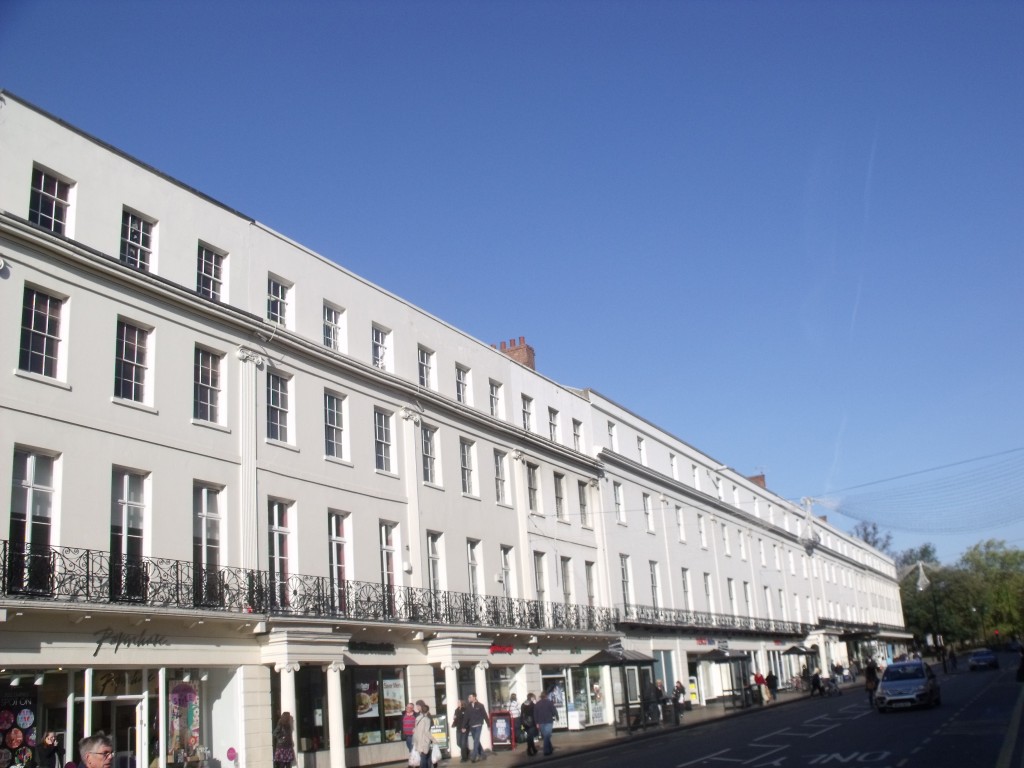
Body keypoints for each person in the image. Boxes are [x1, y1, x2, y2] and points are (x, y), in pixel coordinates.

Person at [464, 692, 489, 763]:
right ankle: (483, 754)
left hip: (478, 725)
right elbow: (466, 717)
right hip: (472, 726)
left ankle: (474, 756)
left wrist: (488, 724)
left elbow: (485, 715)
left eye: (470, 697)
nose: (469, 698)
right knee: (476, 741)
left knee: (476, 741)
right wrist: (464, 726)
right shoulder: (468, 706)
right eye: (469, 697)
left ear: (474, 697)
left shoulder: (480, 705)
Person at [533, 689, 557, 756]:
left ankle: (550, 748)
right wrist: (553, 715)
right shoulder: (549, 703)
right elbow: (553, 711)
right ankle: (546, 751)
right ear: (546, 696)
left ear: (541, 696)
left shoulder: (537, 704)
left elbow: (535, 714)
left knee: (546, 736)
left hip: (540, 722)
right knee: (547, 736)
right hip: (548, 721)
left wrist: (536, 723)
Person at [412, 700, 434, 768]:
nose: (417, 707)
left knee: (425, 755)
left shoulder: (427, 715)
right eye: (417, 706)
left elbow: (431, 724)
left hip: (425, 738)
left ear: (421, 706)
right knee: (424, 755)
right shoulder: (418, 715)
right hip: (420, 737)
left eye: (418, 706)